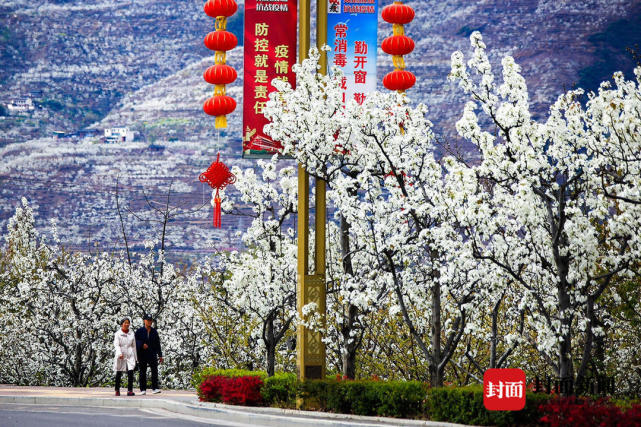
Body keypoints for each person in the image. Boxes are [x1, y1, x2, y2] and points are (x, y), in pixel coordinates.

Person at [135, 313, 163, 395]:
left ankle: (155, 388)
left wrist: (160, 355)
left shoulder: (154, 331)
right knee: (142, 371)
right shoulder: (139, 331)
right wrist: (141, 344)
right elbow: (135, 341)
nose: (149, 322)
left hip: (152, 353)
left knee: (154, 370)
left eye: (150, 320)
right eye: (148, 320)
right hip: (142, 354)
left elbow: (158, 344)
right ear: (144, 321)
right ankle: (143, 389)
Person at [113, 317, 137, 396]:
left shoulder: (131, 333)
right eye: (125, 323)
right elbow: (116, 345)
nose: (127, 324)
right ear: (121, 324)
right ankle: (117, 389)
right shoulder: (117, 334)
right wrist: (119, 353)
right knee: (119, 371)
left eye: (128, 323)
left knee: (130, 371)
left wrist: (136, 357)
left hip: (130, 353)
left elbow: (134, 346)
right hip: (121, 354)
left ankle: (130, 390)